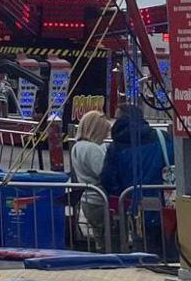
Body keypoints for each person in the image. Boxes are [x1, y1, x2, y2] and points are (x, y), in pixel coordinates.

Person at [99, 106, 170, 253]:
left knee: (143, 251)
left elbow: (108, 178)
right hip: (166, 204)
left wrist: (120, 196)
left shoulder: (116, 146)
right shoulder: (162, 137)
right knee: (168, 248)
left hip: (133, 205)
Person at [68, 111, 110, 246]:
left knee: (100, 238)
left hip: (88, 199)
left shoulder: (77, 146)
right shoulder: (93, 149)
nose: (106, 135)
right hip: (99, 199)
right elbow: (103, 172)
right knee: (109, 238)